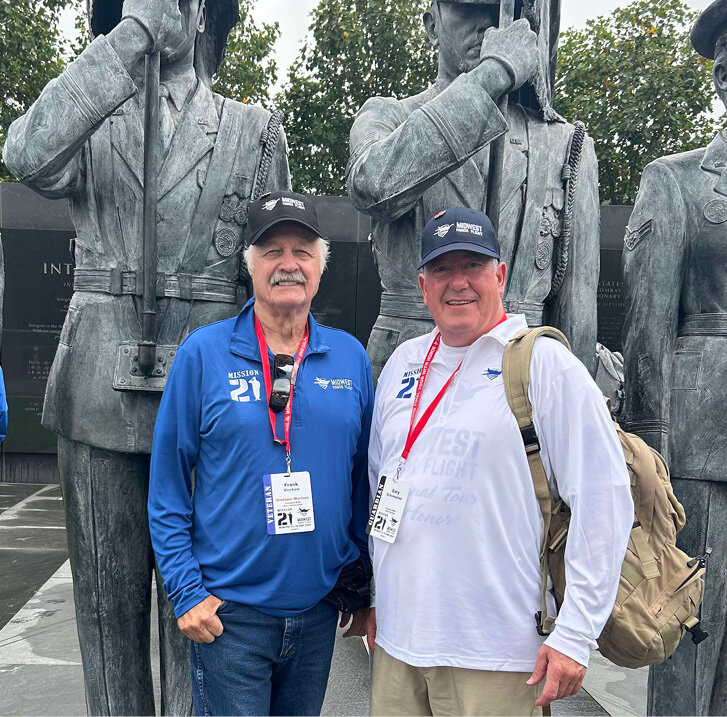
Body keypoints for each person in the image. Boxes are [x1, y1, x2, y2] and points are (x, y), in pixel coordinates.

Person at [2, 0, 289, 712]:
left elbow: (278, 289)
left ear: (203, 16)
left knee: (203, 616)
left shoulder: (253, 131)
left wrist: (277, 410)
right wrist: (128, 39)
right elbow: (26, 153)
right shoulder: (91, 119)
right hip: (98, 388)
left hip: (212, 404)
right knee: (106, 616)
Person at [366, 207, 632, 716]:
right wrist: (379, 597)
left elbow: (605, 498)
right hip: (399, 644)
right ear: (423, 285)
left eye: (473, 266)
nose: (457, 283)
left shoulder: (543, 364)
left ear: (501, 276)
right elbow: (382, 484)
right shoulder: (403, 362)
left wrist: (576, 633)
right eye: (442, 269)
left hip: (499, 654)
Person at [149, 190, 374, 717]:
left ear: (321, 266)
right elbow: (167, 484)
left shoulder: (350, 357)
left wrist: (362, 584)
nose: (288, 264)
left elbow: (365, 479)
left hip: (318, 612)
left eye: (302, 250)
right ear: (249, 266)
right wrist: (185, 591)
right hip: (230, 618)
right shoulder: (202, 354)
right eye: (272, 251)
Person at [347, 0, 600, 381]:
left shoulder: (566, 145)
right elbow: (373, 186)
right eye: (470, 11)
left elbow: (576, 313)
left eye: (503, 11)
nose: (490, 26)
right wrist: (492, 74)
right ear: (432, 25)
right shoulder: (388, 116)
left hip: (522, 377)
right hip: (410, 374)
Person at [622, 1, 727, 712]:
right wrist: (647, 467)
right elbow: (645, 330)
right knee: (691, 645)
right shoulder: (676, 179)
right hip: (698, 453)